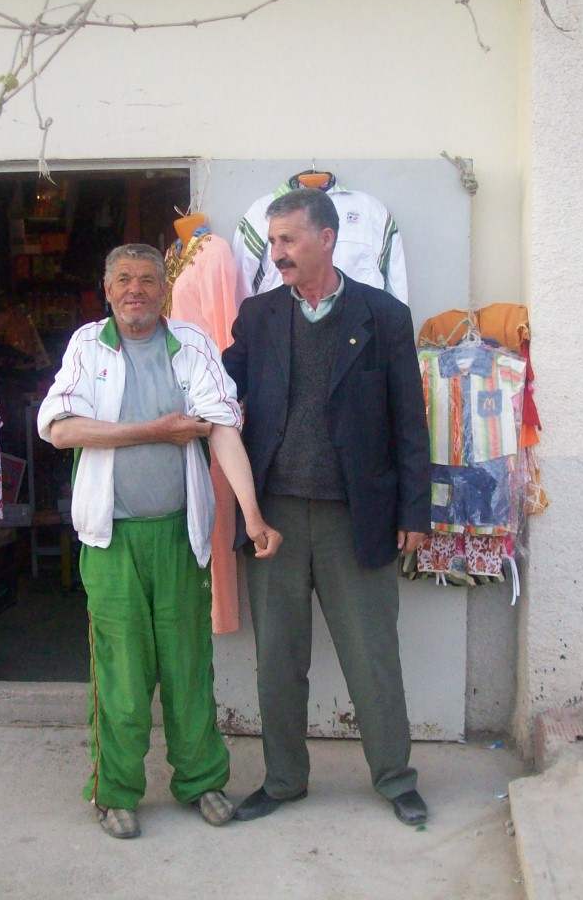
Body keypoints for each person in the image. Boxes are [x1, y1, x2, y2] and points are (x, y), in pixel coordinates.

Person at [37, 243, 281, 840]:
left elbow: (222, 429)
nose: (135, 290)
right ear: (107, 288)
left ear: (163, 290)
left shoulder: (191, 344)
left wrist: (251, 517)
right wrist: (156, 431)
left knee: (188, 667)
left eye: (147, 279)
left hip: (180, 536)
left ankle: (201, 780)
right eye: (123, 279)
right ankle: (115, 791)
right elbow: (61, 429)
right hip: (111, 542)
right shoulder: (87, 347)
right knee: (121, 674)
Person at [221, 187, 432, 826]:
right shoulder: (257, 318)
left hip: (355, 517)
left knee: (372, 656)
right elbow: (216, 392)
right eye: (274, 240)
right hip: (274, 519)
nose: (277, 252)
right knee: (278, 660)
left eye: (289, 240)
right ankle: (284, 780)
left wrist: (415, 514)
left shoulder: (384, 317)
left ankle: (396, 778)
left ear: (327, 239)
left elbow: (409, 426)